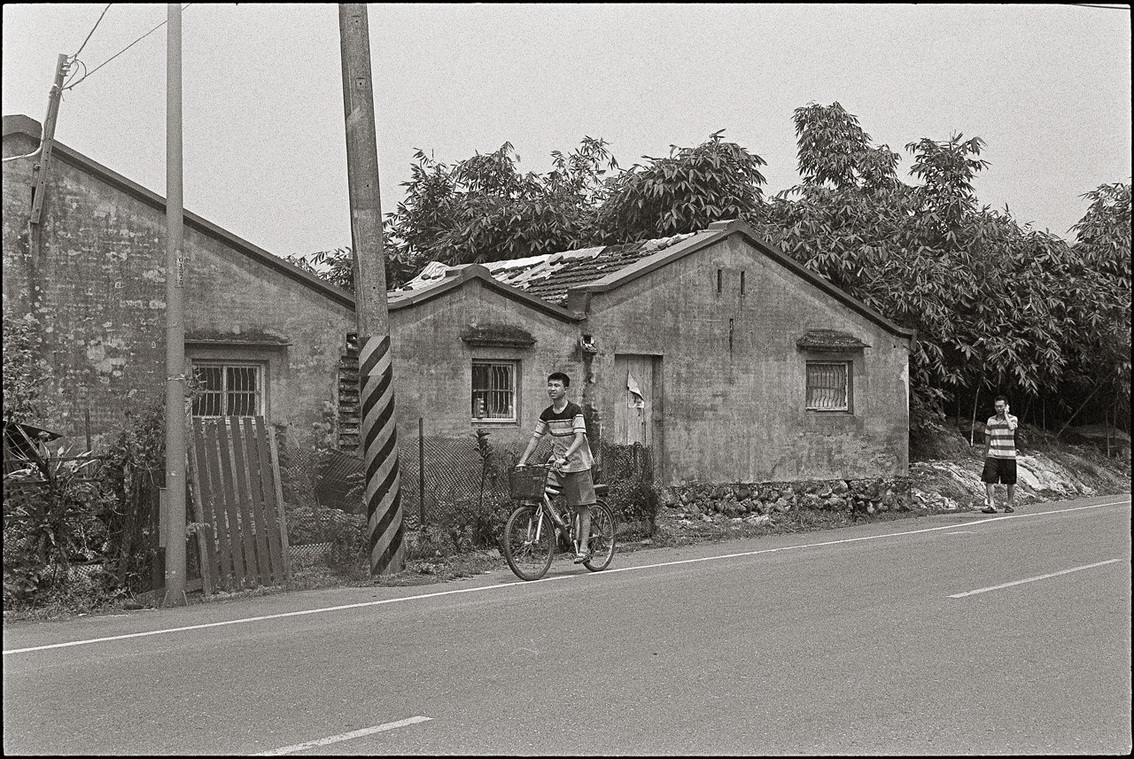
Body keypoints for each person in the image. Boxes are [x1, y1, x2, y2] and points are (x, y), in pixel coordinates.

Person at [516, 371, 597, 563]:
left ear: (565, 389)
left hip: (578, 465)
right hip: (558, 466)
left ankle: (584, 549)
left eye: (556, 386)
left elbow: (579, 438)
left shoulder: (574, 411)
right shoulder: (547, 414)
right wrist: (522, 461)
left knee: (582, 507)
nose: (552, 389)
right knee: (540, 493)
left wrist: (566, 456)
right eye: (550, 385)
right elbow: (535, 438)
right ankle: (562, 526)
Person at [981, 395, 1019, 513]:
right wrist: (986, 452)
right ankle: (991, 504)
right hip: (993, 453)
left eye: (1001, 406)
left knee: (1010, 481)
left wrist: (1006, 415)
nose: (999, 409)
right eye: (997, 406)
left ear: (1006, 406)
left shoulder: (1013, 418)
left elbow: (1012, 428)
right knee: (989, 479)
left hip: (1008, 454)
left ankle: (1009, 504)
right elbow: (988, 436)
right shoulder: (991, 420)